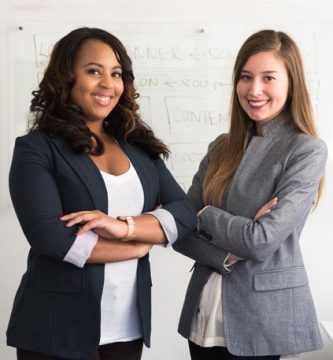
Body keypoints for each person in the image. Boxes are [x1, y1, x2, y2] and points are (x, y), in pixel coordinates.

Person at [7, 27, 196, 360]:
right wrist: (138, 247)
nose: (108, 83)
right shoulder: (37, 149)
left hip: (127, 327)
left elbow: (184, 212)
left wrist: (125, 228)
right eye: (94, 71)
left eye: (116, 73)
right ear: (66, 77)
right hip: (57, 327)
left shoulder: (139, 147)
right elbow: (51, 238)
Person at [173, 29, 327, 360]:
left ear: (291, 83)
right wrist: (225, 253)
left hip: (261, 318)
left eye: (268, 77)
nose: (254, 90)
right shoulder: (221, 146)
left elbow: (260, 241)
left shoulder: (306, 150)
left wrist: (206, 214)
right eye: (246, 77)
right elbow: (179, 230)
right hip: (203, 311)